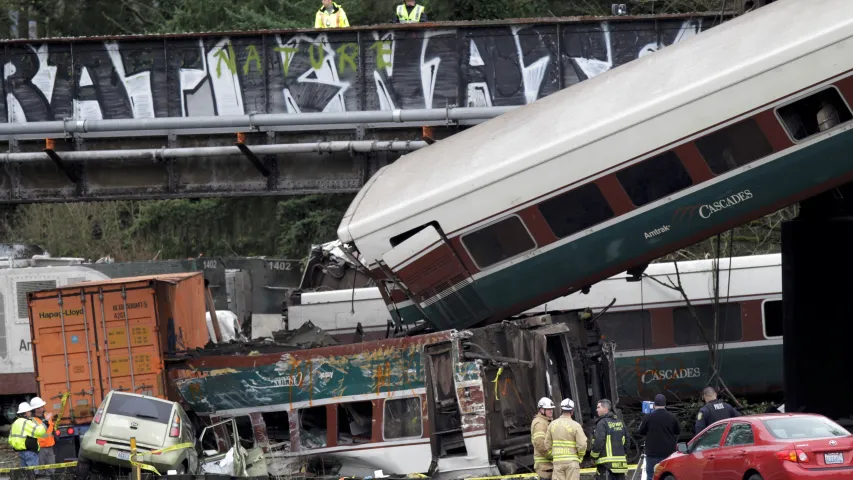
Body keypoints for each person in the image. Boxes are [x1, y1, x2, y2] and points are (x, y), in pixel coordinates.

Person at [637, 394, 681, 479]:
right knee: (667, 475)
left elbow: (641, 432)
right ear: (665, 404)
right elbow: (677, 431)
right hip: (668, 453)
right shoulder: (672, 417)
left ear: (654, 405)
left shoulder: (648, 417)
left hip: (652, 452)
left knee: (651, 475)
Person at [544, 398, 587, 480]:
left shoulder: (552, 424)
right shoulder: (576, 425)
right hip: (572, 461)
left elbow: (547, 443)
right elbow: (582, 444)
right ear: (572, 411)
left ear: (561, 410)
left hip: (557, 462)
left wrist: (554, 454)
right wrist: (580, 456)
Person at [590, 399, 628, 480]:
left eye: (598, 407)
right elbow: (627, 442)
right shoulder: (620, 422)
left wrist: (593, 457)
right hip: (620, 465)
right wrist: (623, 455)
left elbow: (598, 442)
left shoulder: (602, 423)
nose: (596, 410)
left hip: (606, 466)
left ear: (605, 409)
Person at [7, 401, 47, 468]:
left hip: (20, 453)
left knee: (25, 474)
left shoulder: (15, 423)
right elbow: (40, 432)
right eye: (29, 411)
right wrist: (45, 422)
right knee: (34, 473)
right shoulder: (26, 422)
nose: (31, 413)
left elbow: (10, 440)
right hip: (30, 452)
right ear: (26, 413)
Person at [30, 396, 57, 474]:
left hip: (50, 446)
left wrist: (55, 435)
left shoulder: (46, 415)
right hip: (40, 448)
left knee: (52, 469)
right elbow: (40, 431)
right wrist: (46, 420)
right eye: (41, 407)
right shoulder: (32, 420)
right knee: (40, 470)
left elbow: (51, 427)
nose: (43, 408)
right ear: (36, 409)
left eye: (42, 406)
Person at [531, 397, 555, 479]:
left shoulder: (546, 421)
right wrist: (552, 455)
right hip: (544, 466)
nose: (551, 410)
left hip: (548, 465)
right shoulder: (539, 424)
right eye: (548, 409)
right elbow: (540, 444)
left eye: (551, 409)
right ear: (541, 409)